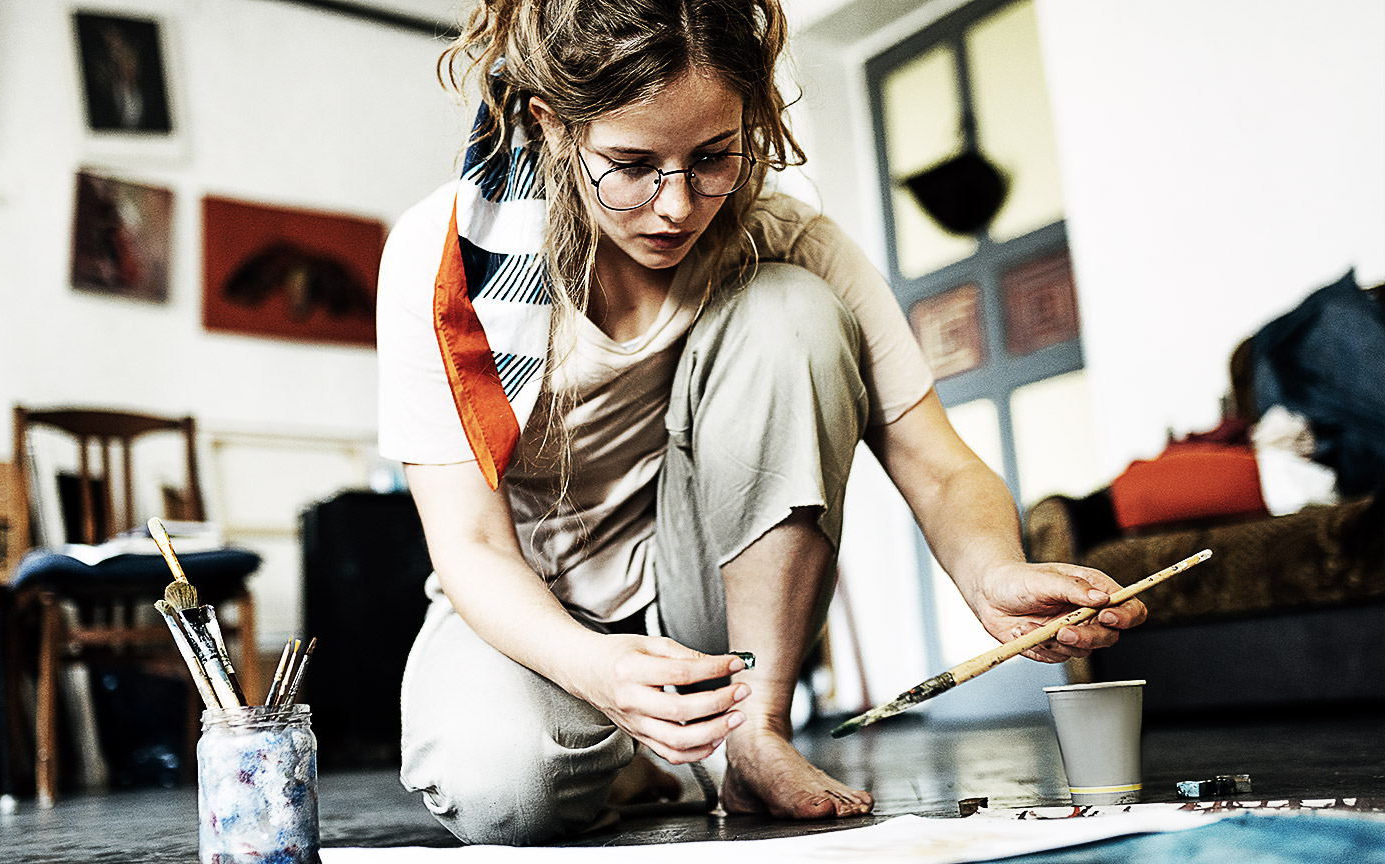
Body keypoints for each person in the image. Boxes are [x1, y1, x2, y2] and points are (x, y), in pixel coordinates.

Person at [375, 0, 1146, 846]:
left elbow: (939, 462)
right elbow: (472, 546)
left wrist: (993, 571)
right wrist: (594, 668)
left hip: (710, 598)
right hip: (530, 601)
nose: (676, 206)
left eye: (712, 158)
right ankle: (635, 755)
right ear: (555, 128)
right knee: (503, 796)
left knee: (794, 312)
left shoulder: (781, 234)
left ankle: (754, 735)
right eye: (630, 164)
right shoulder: (441, 257)